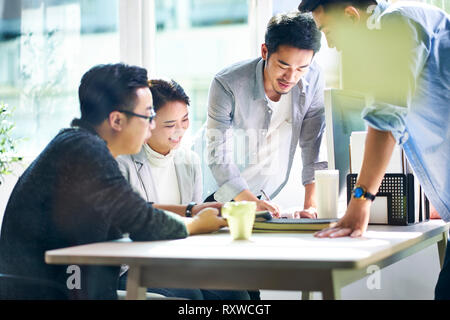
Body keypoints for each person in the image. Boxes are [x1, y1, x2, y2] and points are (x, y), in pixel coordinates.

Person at [0, 63, 226, 300]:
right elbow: (144, 222)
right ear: (117, 120)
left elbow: (131, 212)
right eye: (148, 116)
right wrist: (197, 223)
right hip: (52, 292)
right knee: (191, 299)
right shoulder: (86, 152)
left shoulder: (79, 145)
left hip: (66, 286)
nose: (151, 127)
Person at [297, 0, 450, 299]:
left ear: (352, 17)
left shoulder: (394, 25)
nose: (330, 44)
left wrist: (361, 200)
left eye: (329, 31)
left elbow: (385, 119)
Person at [116, 79, 250, 300]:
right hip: (134, 264)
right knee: (190, 296)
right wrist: (192, 212)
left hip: (177, 260)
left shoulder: (189, 161)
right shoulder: (122, 162)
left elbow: (195, 225)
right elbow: (129, 220)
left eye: (185, 119)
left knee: (237, 294)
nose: (179, 130)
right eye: (170, 124)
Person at [206, 12, 327, 219]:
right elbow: (218, 156)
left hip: (264, 195)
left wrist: (311, 206)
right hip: (216, 195)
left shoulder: (314, 77)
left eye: (302, 68)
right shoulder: (227, 84)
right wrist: (251, 203)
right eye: (283, 65)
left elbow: (312, 146)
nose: (291, 77)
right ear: (264, 51)